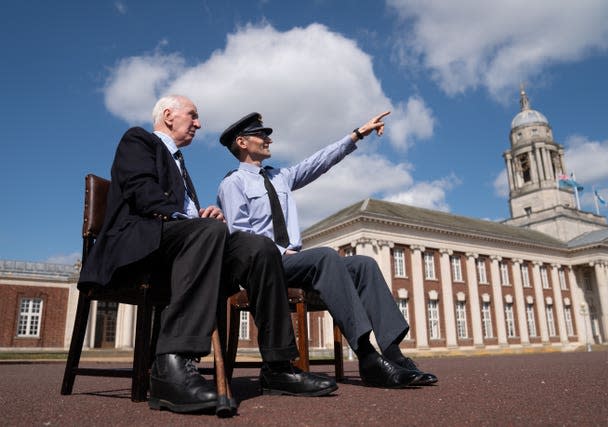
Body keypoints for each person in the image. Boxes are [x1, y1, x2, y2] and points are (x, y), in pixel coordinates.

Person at [78, 95, 337, 414]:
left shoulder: (182, 164)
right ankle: (170, 367)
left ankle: (278, 366)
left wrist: (202, 215)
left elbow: (181, 216)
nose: (199, 123)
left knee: (259, 247)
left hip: (182, 243)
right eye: (193, 115)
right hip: (139, 246)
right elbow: (142, 193)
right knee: (208, 231)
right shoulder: (139, 140)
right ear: (169, 116)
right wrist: (195, 222)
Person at [217, 112, 438, 388]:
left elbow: (319, 162)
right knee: (324, 256)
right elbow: (241, 236)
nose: (268, 139)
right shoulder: (232, 184)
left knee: (363, 265)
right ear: (242, 142)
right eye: (261, 135)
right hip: (266, 268)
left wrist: (357, 135)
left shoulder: (280, 177)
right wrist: (281, 252)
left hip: (294, 264)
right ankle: (367, 357)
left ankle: (393, 354)